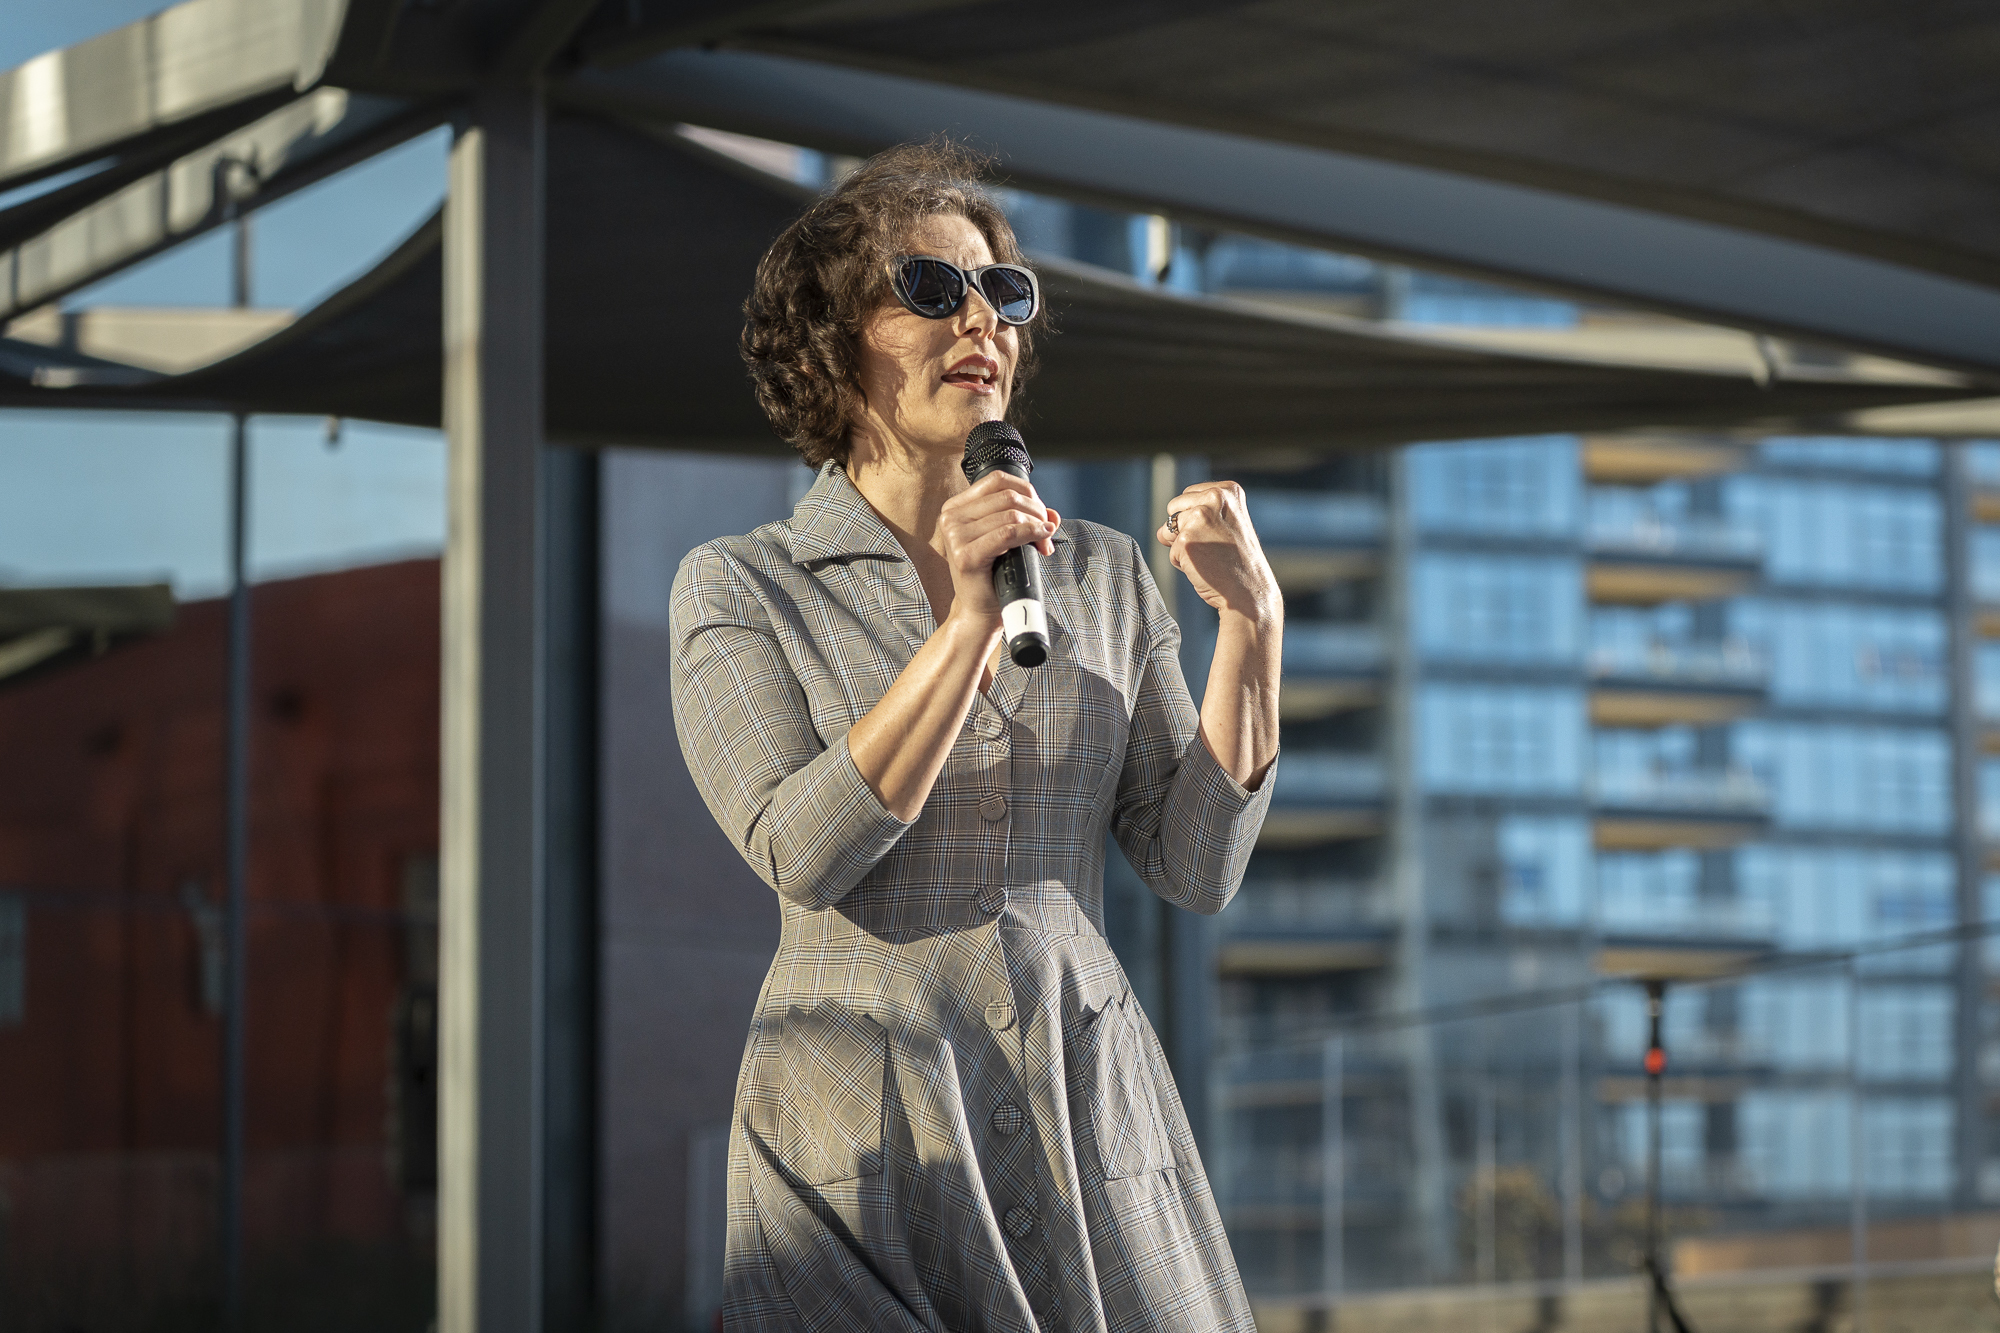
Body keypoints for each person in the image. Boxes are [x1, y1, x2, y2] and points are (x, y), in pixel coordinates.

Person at [671, 140, 1282, 1332]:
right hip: (863, 1109)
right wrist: (961, 623)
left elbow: (1192, 865)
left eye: (1003, 292)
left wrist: (1250, 627)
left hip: (1081, 1094)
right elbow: (800, 847)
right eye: (932, 289)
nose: (983, 321)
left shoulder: (1100, 573)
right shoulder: (741, 586)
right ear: (830, 344)